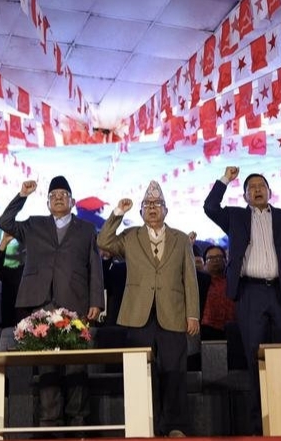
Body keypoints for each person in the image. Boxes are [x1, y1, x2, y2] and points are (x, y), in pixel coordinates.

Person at [203, 167, 281, 434]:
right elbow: (210, 207)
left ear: (269, 192)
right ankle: (259, 427)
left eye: (261, 186)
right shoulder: (235, 217)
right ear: (244, 196)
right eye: (251, 187)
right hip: (250, 294)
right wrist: (225, 179)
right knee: (256, 361)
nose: (256, 190)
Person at [0, 176, 104, 430]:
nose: (58, 198)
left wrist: (97, 302)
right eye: (53, 195)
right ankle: (50, 425)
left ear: (72, 202)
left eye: (63, 195)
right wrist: (22, 195)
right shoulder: (33, 225)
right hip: (41, 304)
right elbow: (5, 222)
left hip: (76, 302)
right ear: (47, 203)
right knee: (47, 367)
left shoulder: (86, 229)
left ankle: (78, 424)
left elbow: (95, 267)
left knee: (76, 367)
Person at [97, 181, 198, 437]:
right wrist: (118, 212)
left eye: (157, 204)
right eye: (147, 204)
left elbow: (190, 279)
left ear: (166, 209)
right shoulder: (130, 237)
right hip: (137, 314)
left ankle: (175, 426)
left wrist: (192, 314)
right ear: (141, 211)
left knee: (174, 371)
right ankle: (143, 425)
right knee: (140, 372)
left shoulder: (180, 239)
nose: (152, 208)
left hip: (173, 313)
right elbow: (103, 240)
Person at [199, 245, 236, 340]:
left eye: (219, 257)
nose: (215, 261)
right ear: (204, 263)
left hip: (233, 328)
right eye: (210, 258)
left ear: (226, 260)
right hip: (207, 329)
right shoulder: (199, 282)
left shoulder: (234, 281)